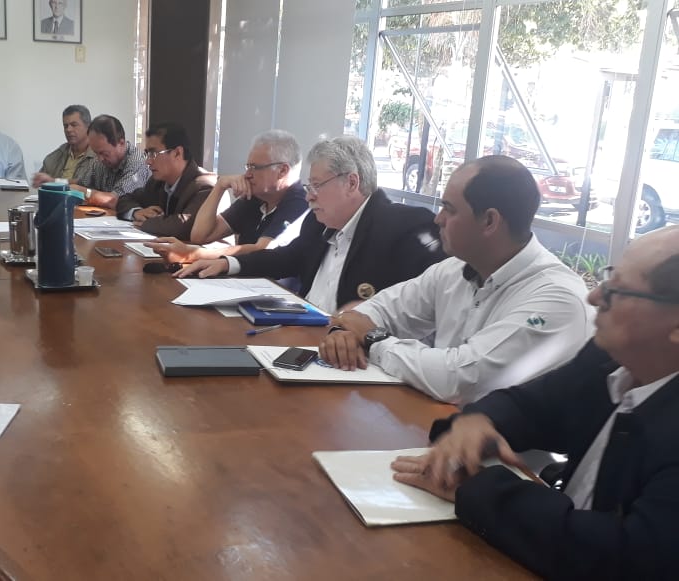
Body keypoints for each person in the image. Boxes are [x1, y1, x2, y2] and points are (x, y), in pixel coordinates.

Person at [391, 225, 679, 579]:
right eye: (607, 278)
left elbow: (628, 557)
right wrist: (478, 423)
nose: (593, 297)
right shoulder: (609, 358)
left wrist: (478, 490)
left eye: (616, 291)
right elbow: (532, 404)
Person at [321, 155, 592, 404]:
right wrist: (344, 334)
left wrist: (371, 338)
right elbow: (377, 311)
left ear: (489, 221)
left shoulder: (558, 298)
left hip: (499, 442)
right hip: (437, 423)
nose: (438, 219)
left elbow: (460, 379)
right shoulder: (455, 269)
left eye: (449, 209)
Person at [177, 135, 445, 314]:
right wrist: (228, 264)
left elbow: (419, 310)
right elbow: (286, 258)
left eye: (316, 186)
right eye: (308, 187)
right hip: (300, 332)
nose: (309, 196)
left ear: (351, 183)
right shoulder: (319, 223)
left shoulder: (405, 228)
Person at [146, 129, 308, 263]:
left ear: (282, 171)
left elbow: (262, 250)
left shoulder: (299, 202)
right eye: (248, 167)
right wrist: (220, 186)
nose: (247, 174)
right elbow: (200, 235)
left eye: (255, 167)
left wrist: (195, 254)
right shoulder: (256, 197)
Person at [114, 122, 216, 240]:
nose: (148, 161)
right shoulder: (157, 182)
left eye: (153, 153)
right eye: (147, 154)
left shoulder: (204, 186)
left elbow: (184, 225)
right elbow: (124, 199)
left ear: (177, 153)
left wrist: (147, 223)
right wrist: (136, 212)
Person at [68, 115, 150, 210]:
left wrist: (85, 192)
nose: (100, 159)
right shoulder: (99, 160)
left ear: (121, 143)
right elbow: (81, 183)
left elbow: (115, 201)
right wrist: (57, 182)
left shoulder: (137, 163)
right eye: (96, 153)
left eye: (104, 153)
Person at [31, 104, 96, 189]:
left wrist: (54, 181)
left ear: (88, 127)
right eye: (65, 126)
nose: (68, 130)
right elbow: (39, 186)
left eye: (74, 125)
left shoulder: (100, 158)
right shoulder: (54, 157)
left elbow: (89, 185)